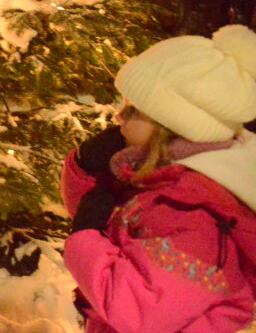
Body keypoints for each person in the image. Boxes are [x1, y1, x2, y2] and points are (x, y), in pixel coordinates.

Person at [62, 25, 256, 333]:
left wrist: (85, 237)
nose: (119, 116)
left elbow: (134, 310)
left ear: (173, 125)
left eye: (134, 111)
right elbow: (113, 220)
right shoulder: (168, 181)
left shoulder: (194, 216)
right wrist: (86, 170)